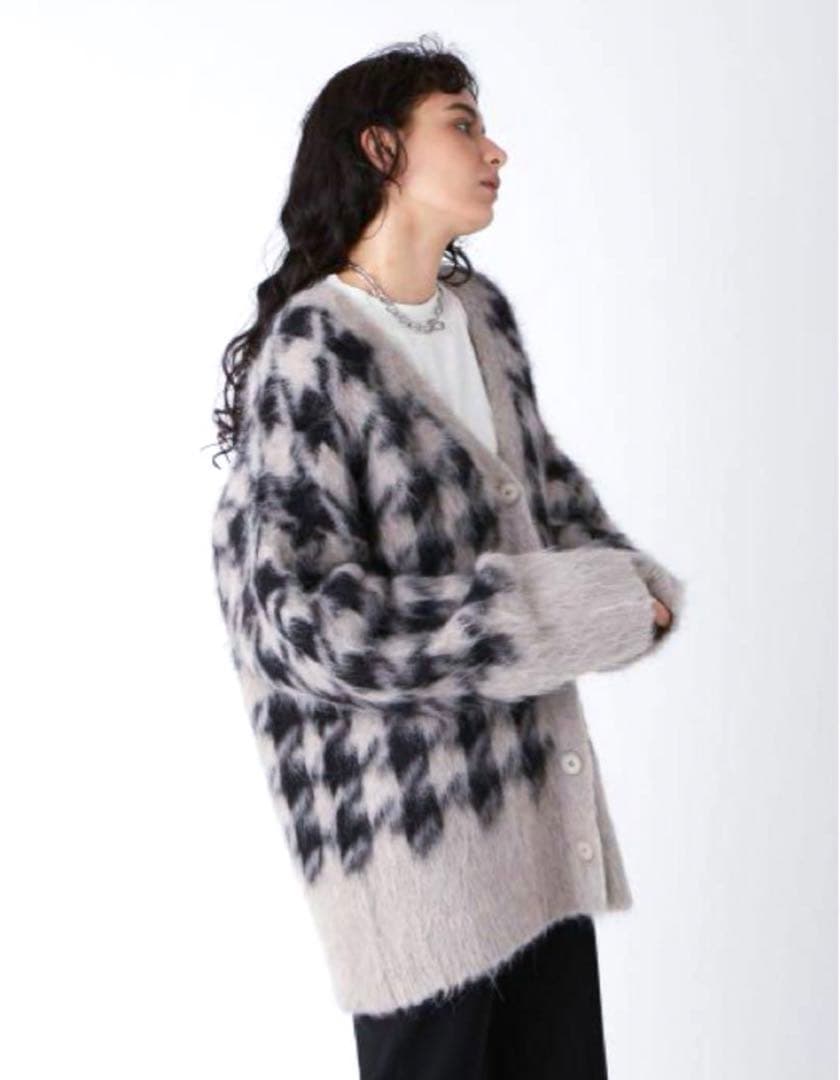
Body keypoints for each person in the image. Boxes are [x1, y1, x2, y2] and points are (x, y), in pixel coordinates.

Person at [210, 33, 683, 1080]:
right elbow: (307, 626)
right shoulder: (311, 355)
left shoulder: (480, 320)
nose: (495, 151)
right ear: (380, 148)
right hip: (413, 856)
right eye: (462, 126)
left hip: (537, 829)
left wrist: (634, 587)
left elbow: (547, 496)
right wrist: (560, 614)